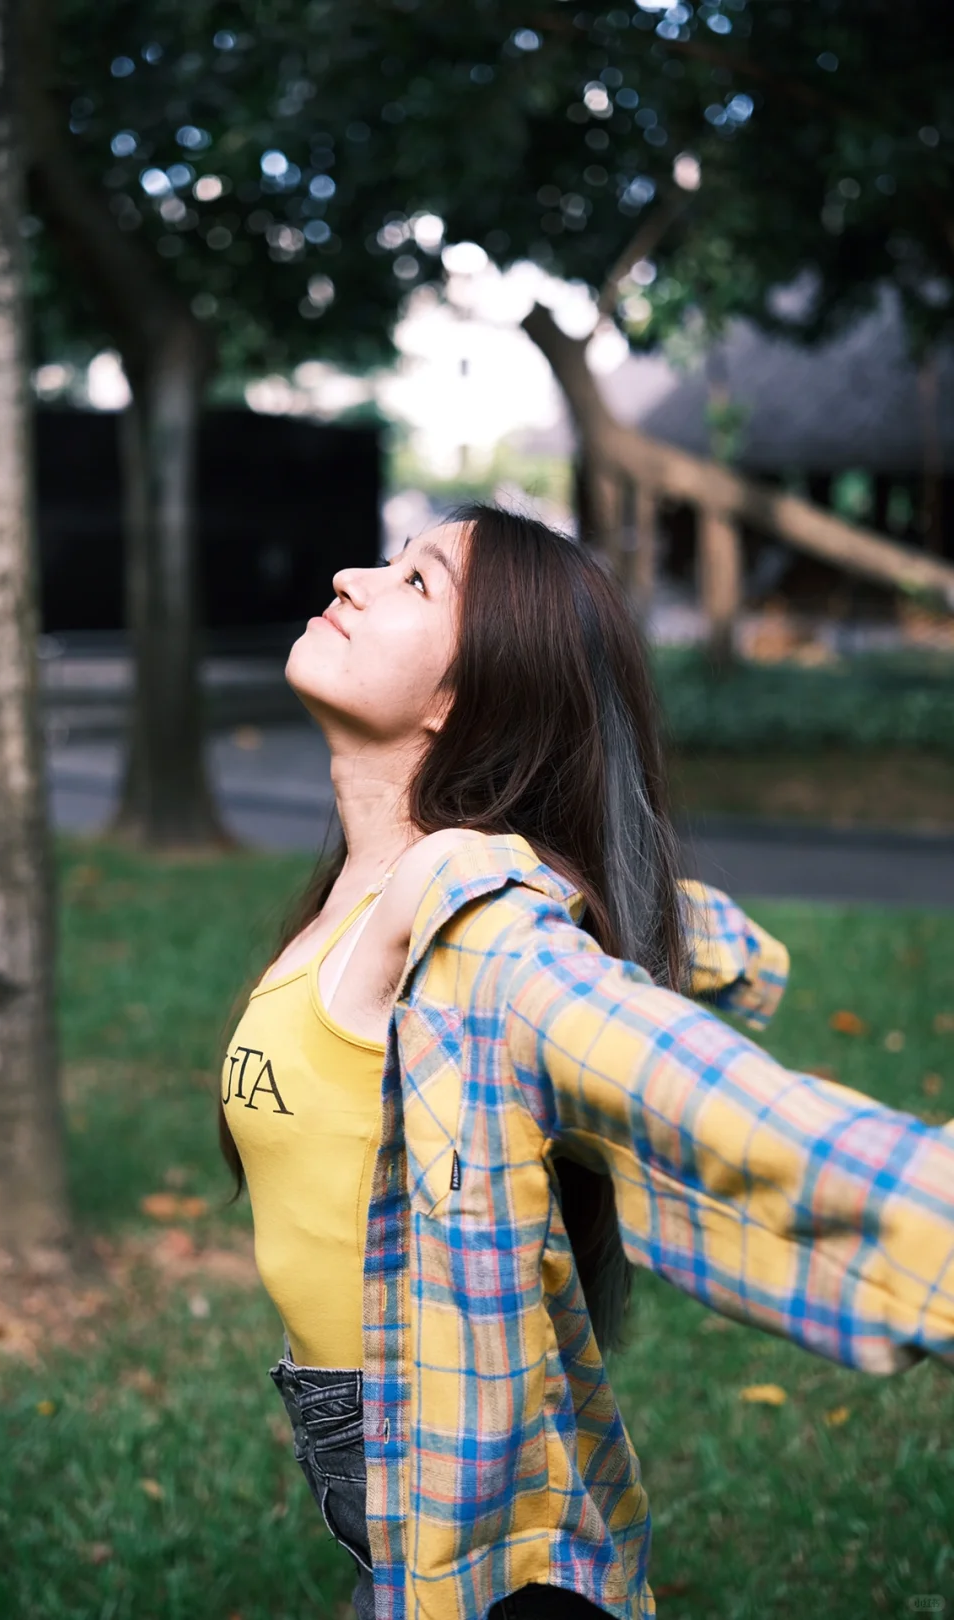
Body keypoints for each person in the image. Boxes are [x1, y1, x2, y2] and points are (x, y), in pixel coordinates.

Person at [218, 505, 954, 1620]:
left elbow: (717, 1110)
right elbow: (624, 914)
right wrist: (691, 942)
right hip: (372, 1450)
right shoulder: (360, 895)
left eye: (417, 582)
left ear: (462, 697)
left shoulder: (469, 923)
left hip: (459, 1473)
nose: (352, 577)